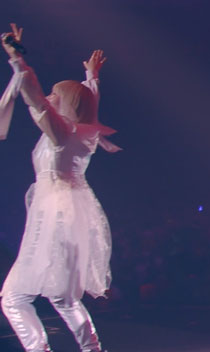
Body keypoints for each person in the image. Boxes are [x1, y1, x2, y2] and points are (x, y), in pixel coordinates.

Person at [0, 24, 117, 352]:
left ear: (64, 105)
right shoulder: (83, 133)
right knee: (62, 297)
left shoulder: (62, 133)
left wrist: (18, 60)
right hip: (67, 214)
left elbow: (35, 100)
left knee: (15, 297)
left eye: (56, 95)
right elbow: (88, 103)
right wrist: (92, 77)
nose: (50, 98)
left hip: (56, 217)